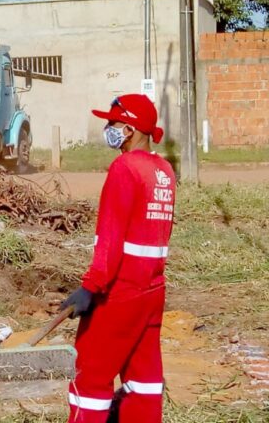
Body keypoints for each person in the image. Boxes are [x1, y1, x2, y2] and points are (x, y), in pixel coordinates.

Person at [61, 94, 176, 423]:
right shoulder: (164, 172)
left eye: (112, 123)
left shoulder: (125, 168)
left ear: (128, 129)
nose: (108, 128)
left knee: (90, 377)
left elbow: (111, 238)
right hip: (153, 291)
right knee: (144, 379)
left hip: (120, 292)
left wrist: (89, 288)